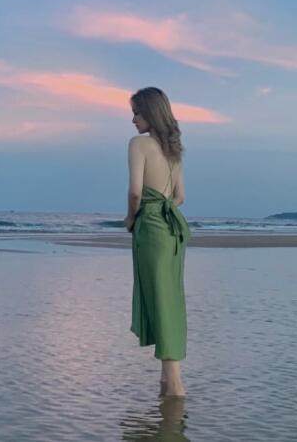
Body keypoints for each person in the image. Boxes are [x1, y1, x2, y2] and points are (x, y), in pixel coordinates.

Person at [124, 87, 192, 398]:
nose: (133, 119)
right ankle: (168, 379)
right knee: (170, 297)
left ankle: (174, 383)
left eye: (137, 112)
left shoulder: (139, 144)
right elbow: (180, 197)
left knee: (159, 298)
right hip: (172, 229)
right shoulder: (173, 150)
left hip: (151, 228)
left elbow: (135, 192)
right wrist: (162, 208)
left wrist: (131, 219)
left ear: (151, 113)